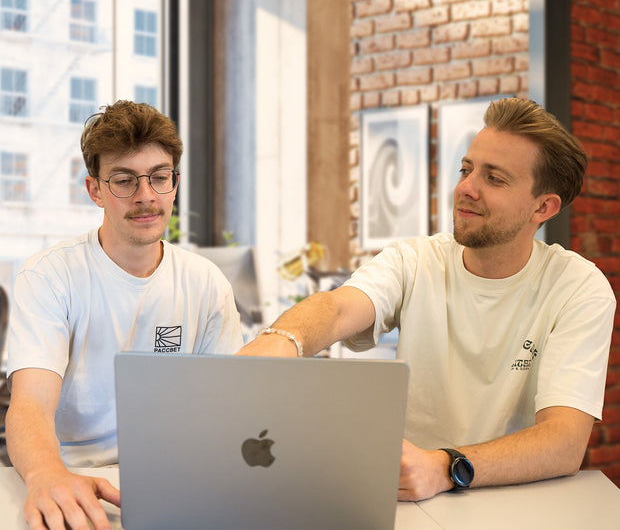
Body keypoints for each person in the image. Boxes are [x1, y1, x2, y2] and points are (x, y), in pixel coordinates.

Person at [239, 97, 616, 502]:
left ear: (543, 207)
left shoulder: (578, 287)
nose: (465, 189)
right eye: (466, 170)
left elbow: (563, 441)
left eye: (494, 179)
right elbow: (340, 307)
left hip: (517, 503)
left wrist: (444, 466)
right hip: (411, 500)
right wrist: (282, 338)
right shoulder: (416, 260)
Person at [6, 100, 243, 530]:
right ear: (95, 189)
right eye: (124, 181)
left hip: (178, 481)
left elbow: (229, 407)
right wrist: (46, 475)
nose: (146, 196)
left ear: (174, 182)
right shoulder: (49, 276)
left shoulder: (206, 283)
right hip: (73, 476)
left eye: (159, 177)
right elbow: (30, 405)